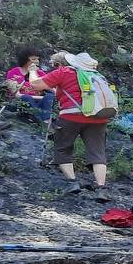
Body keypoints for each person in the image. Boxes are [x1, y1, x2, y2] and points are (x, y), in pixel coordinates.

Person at [30, 52, 112, 202]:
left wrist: (32, 71)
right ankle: (101, 189)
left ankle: (72, 183)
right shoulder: (96, 75)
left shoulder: (65, 71)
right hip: (98, 117)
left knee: (62, 148)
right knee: (97, 151)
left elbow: (35, 84)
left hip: (71, 115)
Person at [5, 47, 55, 123]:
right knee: (27, 98)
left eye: (38, 59)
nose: (37, 62)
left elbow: (52, 89)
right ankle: (41, 121)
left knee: (49, 97)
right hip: (21, 101)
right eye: (33, 59)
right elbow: (16, 94)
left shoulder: (40, 73)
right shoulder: (14, 72)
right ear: (25, 60)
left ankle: (45, 121)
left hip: (39, 101)